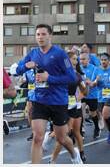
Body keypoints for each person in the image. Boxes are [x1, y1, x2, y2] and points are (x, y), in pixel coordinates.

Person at [15, 24, 82, 164]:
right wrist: (26, 66)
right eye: (38, 34)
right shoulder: (33, 53)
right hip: (39, 100)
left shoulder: (59, 54)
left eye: (43, 34)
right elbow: (18, 70)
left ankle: (74, 154)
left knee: (61, 138)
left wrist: (49, 78)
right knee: (37, 138)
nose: (40, 37)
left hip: (58, 101)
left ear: (50, 36)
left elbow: (71, 78)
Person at [50, 51, 88, 163]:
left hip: (74, 106)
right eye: (74, 59)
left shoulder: (78, 75)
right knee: (63, 134)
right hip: (62, 106)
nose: (76, 61)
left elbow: (85, 90)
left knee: (75, 132)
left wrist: (78, 99)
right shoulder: (60, 73)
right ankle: (53, 160)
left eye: (77, 59)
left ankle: (81, 153)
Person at [79, 52, 101, 139]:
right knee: (80, 113)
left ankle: (97, 128)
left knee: (93, 114)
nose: (81, 61)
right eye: (80, 59)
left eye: (83, 59)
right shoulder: (78, 68)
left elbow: (96, 81)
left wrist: (92, 83)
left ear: (88, 60)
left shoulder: (95, 69)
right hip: (82, 95)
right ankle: (80, 131)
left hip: (92, 95)